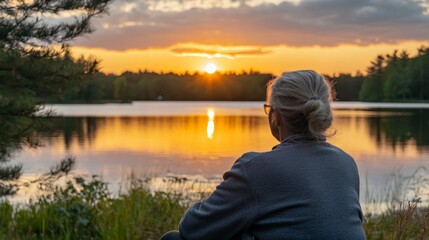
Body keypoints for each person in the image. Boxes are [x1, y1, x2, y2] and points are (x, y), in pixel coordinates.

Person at [161, 70, 365, 240]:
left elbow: (193, 228)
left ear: (276, 117)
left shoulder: (256, 168)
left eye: (269, 109)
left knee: (174, 239)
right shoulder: (346, 163)